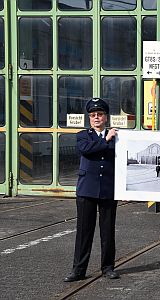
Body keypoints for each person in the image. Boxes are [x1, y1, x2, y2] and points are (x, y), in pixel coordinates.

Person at [64, 98, 120, 282]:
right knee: (83, 232)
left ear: (106, 117)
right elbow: (86, 150)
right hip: (87, 189)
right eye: (93, 115)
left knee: (107, 231)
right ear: (89, 118)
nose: (96, 118)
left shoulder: (118, 136)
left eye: (100, 114)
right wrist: (106, 139)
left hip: (108, 189)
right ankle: (78, 270)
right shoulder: (83, 135)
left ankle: (108, 267)